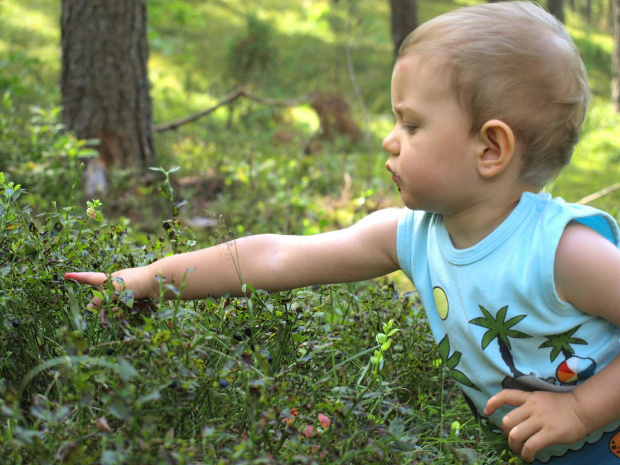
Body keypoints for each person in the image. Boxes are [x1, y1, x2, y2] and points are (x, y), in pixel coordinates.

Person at [65, 2, 620, 463]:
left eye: (412, 123)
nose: (389, 139)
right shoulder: (412, 235)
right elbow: (275, 257)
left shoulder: (563, 251)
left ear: (490, 149)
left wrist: (580, 410)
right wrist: (145, 279)